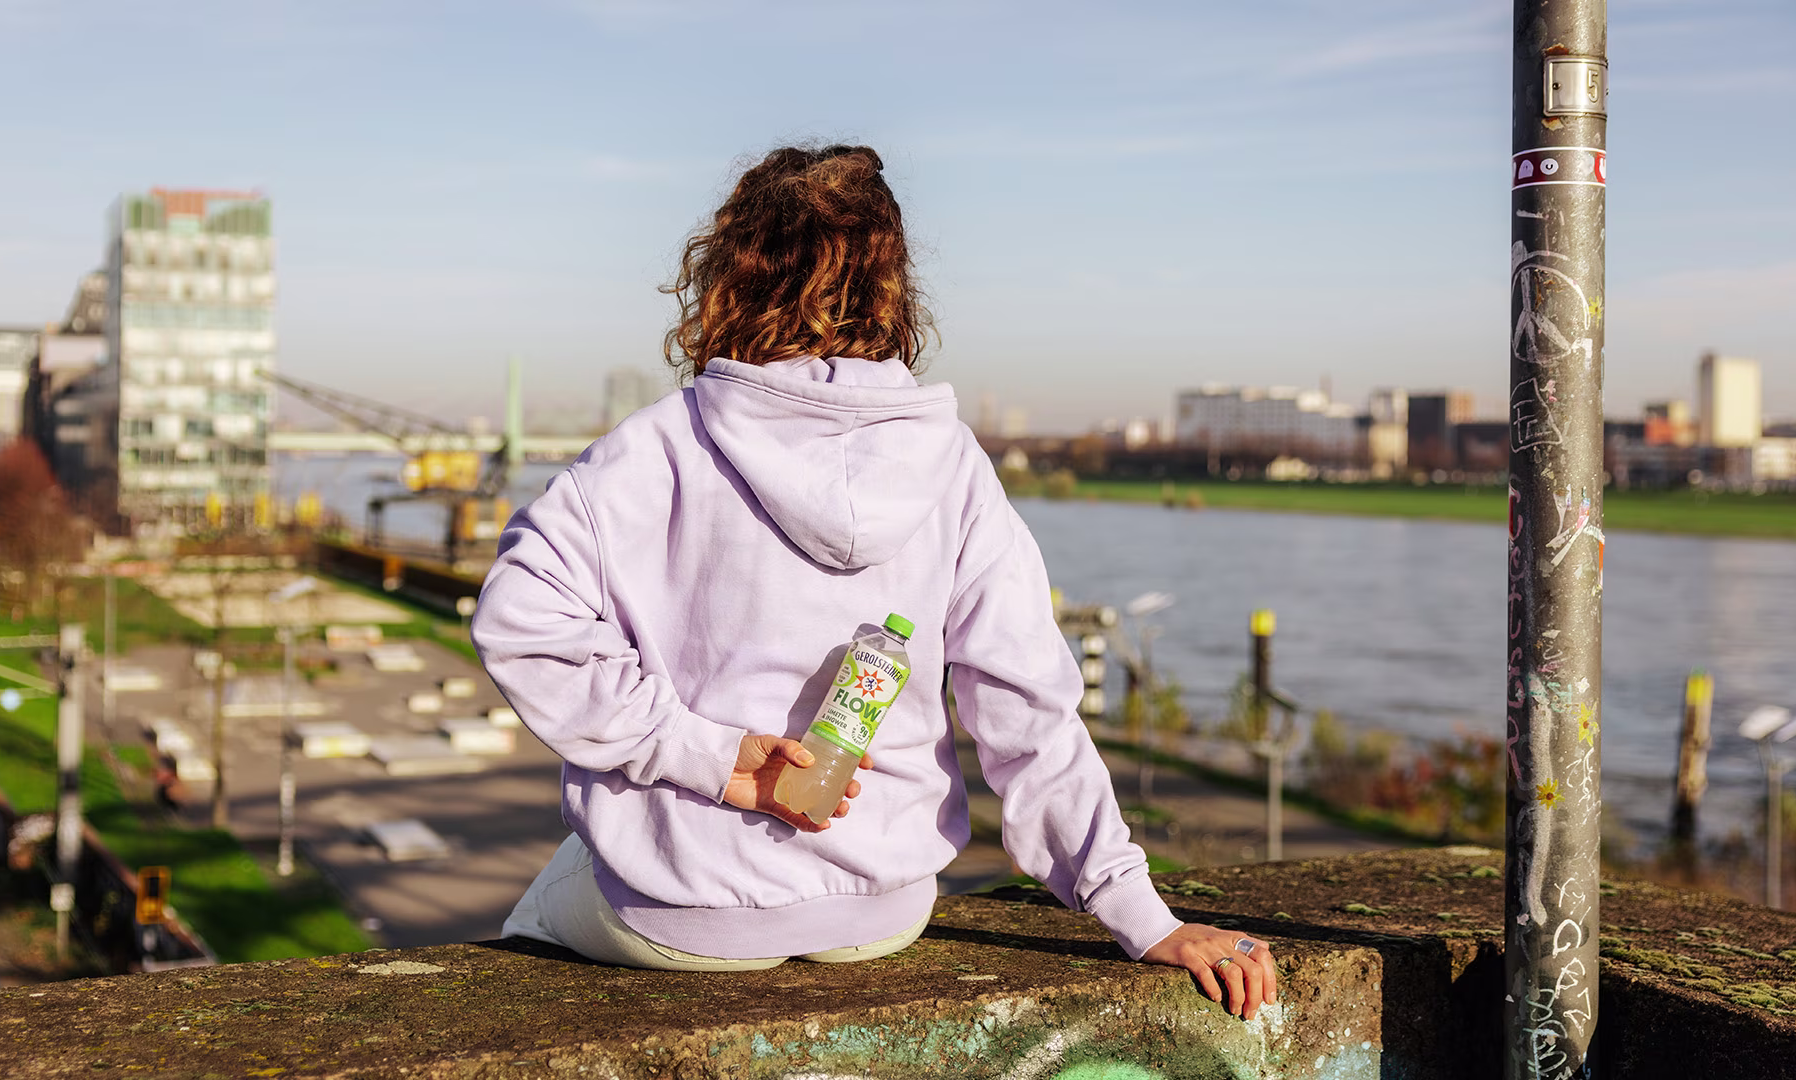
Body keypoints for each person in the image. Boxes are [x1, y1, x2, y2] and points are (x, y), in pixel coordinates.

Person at [473, 144, 1276, 1018]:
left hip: (685, 916)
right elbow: (1026, 707)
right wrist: (1140, 914)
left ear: (728, 277)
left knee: (552, 892)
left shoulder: (655, 446)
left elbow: (520, 625)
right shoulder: (953, 463)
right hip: (881, 912)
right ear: (892, 288)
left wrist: (707, 758)